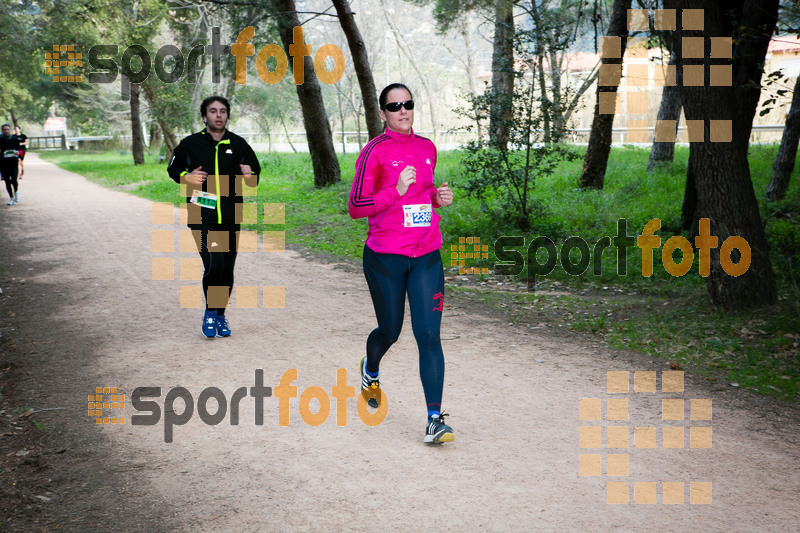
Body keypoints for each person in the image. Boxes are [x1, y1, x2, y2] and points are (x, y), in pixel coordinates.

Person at [349, 83, 455, 444]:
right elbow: (356, 207)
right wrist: (394, 188)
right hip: (385, 258)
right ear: (382, 114)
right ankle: (371, 368)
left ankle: (434, 419)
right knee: (389, 331)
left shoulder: (427, 148)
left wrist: (438, 199)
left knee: (429, 335)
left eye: (408, 104)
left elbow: (423, 200)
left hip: (426, 253)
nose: (403, 110)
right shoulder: (373, 152)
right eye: (394, 106)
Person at [167, 96, 261, 338]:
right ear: (204, 116)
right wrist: (186, 177)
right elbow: (173, 168)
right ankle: (210, 312)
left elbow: (253, 178)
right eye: (213, 111)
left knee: (227, 269)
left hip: (230, 216)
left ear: (227, 115)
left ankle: (220, 314)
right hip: (202, 215)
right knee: (215, 263)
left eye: (222, 111)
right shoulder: (190, 144)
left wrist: (249, 175)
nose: (218, 115)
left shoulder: (239, 144)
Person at [0, 124, 22, 206]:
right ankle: (11, 197)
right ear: (2, 131)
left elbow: (19, 149)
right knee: (7, 181)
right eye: (4, 129)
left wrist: (17, 153)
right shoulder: (1, 139)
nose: (6, 131)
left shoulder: (14, 139)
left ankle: (16, 192)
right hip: (4, 163)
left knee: (14, 180)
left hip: (13, 162)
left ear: (10, 130)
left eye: (7, 129)